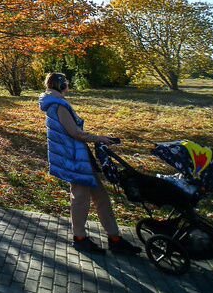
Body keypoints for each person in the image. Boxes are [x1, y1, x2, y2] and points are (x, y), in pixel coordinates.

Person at [39, 72, 141, 255]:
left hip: (79, 155)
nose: (68, 85)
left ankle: (115, 238)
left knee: (101, 198)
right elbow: (74, 133)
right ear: (61, 84)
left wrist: (97, 138)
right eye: (66, 82)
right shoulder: (58, 105)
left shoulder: (55, 102)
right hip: (73, 158)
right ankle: (79, 238)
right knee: (80, 199)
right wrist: (98, 138)